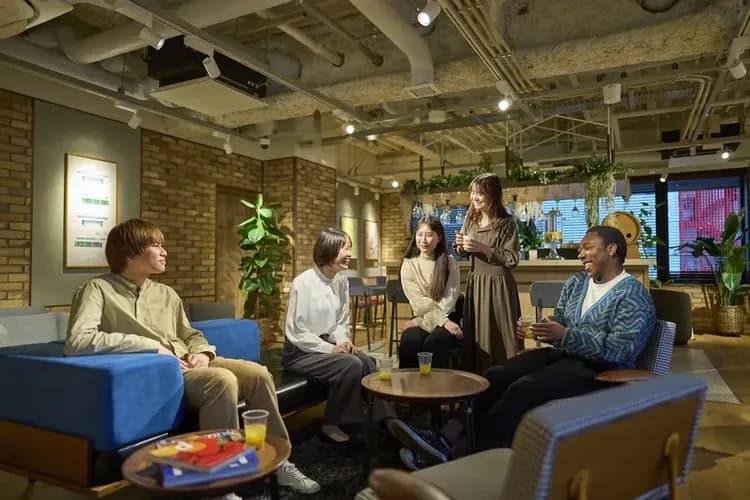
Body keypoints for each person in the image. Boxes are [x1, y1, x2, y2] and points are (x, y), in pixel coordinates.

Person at [64, 219, 320, 498]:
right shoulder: (96, 289)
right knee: (221, 380)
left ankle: (281, 463)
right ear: (131, 252)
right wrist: (150, 346)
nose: (164, 252)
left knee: (258, 374)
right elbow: (78, 340)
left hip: (188, 361)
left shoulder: (165, 293)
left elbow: (190, 334)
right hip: (158, 372)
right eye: (156, 245)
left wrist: (203, 353)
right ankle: (221, 483)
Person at [389, 225, 656, 469]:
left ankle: (467, 451)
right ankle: (445, 437)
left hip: (600, 370)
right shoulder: (577, 283)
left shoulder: (632, 294)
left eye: (588, 248)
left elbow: (623, 349)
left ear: (611, 250)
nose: (580, 253)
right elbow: (561, 321)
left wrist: (566, 335)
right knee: (495, 374)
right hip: (564, 354)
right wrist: (542, 328)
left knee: (523, 389)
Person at [283, 227, 378, 443]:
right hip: (300, 352)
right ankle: (333, 423)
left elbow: (341, 321)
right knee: (350, 364)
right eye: (345, 248)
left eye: (350, 248)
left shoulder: (341, 281)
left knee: (366, 360)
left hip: (327, 345)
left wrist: (344, 341)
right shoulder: (303, 283)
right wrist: (331, 348)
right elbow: (297, 331)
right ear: (329, 249)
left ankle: (384, 417)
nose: (350, 253)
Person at [455, 173, 521, 373]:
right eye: (473, 193)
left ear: (493, 195)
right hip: (476, 282)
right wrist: (461, 246)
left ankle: (504, 378)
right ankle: (477, 381)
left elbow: (511, 259)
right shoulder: (471, 219)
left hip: (498, 285)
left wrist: (482, 248)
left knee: (500, 336)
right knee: (477, 334)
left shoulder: (506, 223)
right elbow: (461, 250)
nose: (474, 198)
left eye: (480, 193)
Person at [398, 215, 463, 369]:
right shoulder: (408, 264)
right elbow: (418, 303)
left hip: (447, 317)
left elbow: (449, 298)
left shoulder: (450, 262)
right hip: (425, 316)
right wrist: (438, 321)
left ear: (439, 237)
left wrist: (442, 321)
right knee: (409, 341)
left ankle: (438, 384)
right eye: (420, 235)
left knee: (435, 342)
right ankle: (409, 383)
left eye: (429, 235)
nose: (423, 240)